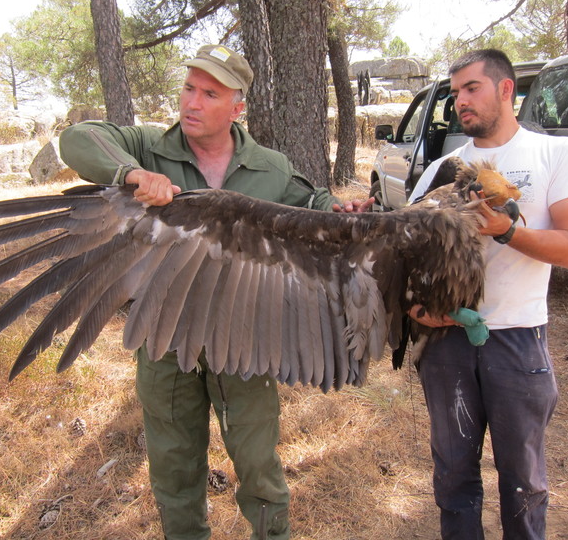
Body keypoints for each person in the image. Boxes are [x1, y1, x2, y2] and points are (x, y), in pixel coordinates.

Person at [59, 44, 370, 540]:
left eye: (210, 93)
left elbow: (305, 205)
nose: (193, 102)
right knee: (174, 471)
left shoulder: (269, 167)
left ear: (236, 107)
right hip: (168, 338)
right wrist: (132, 174)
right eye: (188, 88)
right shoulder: (148, 147)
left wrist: (334, 208)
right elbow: (77, 139)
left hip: (244, 340)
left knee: (258, 466)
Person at [406, 49, 568, 539]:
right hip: (446, 344)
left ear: (506, 90)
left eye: (472, 89)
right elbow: (401, 252)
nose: (460, 101)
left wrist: (506, 231)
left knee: (524, 483)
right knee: (453, 477)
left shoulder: (556, 154)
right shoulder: (442, 169)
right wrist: (414, 307)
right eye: (455, 93)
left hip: (518, 340)